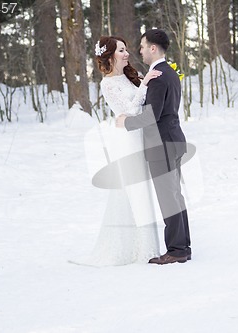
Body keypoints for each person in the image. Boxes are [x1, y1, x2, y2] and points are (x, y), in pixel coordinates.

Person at [70, 36, 163, 266]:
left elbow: (142, 105)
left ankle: (143, 247)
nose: (127, 53)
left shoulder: (130, 78)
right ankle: (140, 251)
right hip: (127, 140)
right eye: (121, 50)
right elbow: (130, 109)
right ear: (110, 56)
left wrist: (145, 82)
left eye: (126, 49)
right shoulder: (108, 84)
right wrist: (145, 83)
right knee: (134, 190)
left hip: (139, 137)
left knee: (141, 192)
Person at [116, 29, 191, 265]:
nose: (138, 50)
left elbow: (151, 116)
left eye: (142, 46)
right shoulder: (168, 72)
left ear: (153, 48)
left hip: (163, 145)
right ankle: (183, 246)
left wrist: (126, 122)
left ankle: (178, 250)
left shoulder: (158, 76)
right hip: (172, 140)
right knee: (175, 196)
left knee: (169, 199)